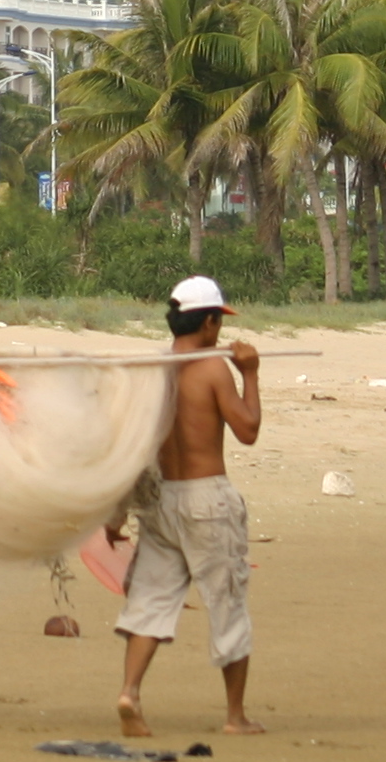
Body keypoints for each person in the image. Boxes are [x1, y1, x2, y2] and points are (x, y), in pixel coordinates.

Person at [107, 275, 265, 737]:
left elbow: (137, 447)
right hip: (205, 499)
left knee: (150, 602)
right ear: (211, 323)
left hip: (161, 501)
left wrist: (119, 511)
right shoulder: (212, 367)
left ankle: (129, 692)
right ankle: (235, 716)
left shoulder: (155, 369)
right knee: (227, 603)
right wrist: (250, 374)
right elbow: (248, 430)